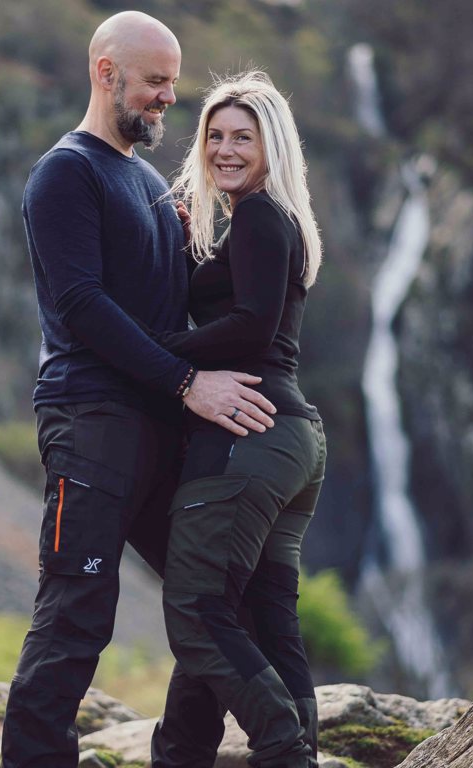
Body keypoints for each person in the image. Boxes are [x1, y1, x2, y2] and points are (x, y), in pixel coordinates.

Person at [0, 13, 277, 768]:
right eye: (154, 82)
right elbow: (83, 306)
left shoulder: (152, 183)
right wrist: (188, 382)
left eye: (172, 85)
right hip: (91, 421)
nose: (166, 99)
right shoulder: (66, 172)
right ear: (104, 71)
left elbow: (192, 305)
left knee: (214, 607)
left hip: (166, 429)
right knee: (75, 616)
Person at [145, 71, 327, 768]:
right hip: (293, 442)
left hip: (244, 436)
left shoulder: (256, 215)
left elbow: (249, 325)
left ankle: (287, 753)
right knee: (262, 617)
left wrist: (154, 354)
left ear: (271, 144)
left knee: (196, 615)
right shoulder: (276, 219)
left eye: (241, 137)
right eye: (214, 136)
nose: (223, 148)